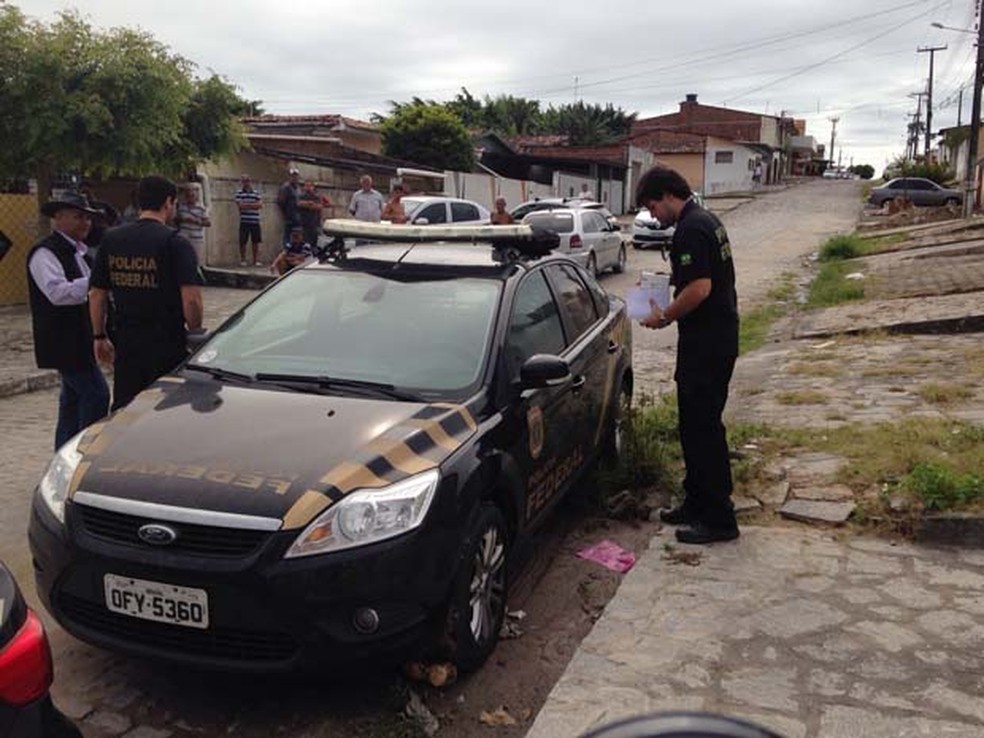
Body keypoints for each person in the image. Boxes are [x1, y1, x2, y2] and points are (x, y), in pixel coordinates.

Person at [636, 166, 740, 545]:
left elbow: (699, 288)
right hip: (714, 338)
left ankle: (719, 519)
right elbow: (695, 279)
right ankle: (697, 501)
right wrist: (655, 290)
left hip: (707, 344)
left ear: (666, 195)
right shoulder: (705, 220)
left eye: (652, 207)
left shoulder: (691, 229)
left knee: (702, 429)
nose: (652, 216)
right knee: (695, 426)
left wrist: (663, 315)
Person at [89, 175, 204, 411]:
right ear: (168, 202)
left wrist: (99, 336)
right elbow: (191, 300)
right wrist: (195, 334)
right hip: (167, 341)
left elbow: (96, 294)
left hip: (127, 340)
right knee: (164, 408)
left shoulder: (112, 239)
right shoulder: (175, 243)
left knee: (125, 410)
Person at [27, 192, 110, 449]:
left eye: (87, 218)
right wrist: (96, 282)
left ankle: (63, 457)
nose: (85, 223)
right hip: (63, 340)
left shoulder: (83, 254)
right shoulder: (45, 253)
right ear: (59, 217)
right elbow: (57, 293)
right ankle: (82, 454)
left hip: (81, 338)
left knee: (72, 401)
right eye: (78, 217)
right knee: (96, 394)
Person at [174, 185, 211, 265]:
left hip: (196, 238)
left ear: (196, 197)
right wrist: (183, 219)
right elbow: (176, 220)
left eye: (192, 196)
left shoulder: (201, 208)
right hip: (183, 236)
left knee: (195, 260)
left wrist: (196, 221)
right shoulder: (181, 207)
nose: (190, 198)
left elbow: (208, 223)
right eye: (188, 196)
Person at [234, 174, 263, 266]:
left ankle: (256, 260)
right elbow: (240, 206)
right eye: (244, 181)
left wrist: (247, 205)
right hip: (244, 221)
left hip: (255, 221)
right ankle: (243, 260)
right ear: (242, 182)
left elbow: (260, 205)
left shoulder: (256, 192)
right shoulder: (239, 193)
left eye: (247, 180)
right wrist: (252, 205)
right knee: (243, 241)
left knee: (256, 241)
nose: (246, 182)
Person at [277, 167, 302, 247]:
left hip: (298, 217)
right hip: (289, 217)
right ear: (290, 176)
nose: (294, 178)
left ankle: (295, 252)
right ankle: (286, 252)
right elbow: (281, 201)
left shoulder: (298, 188)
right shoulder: (286, 187)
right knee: (287, 237)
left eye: (296, 176)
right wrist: (286, 212)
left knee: (297, 236)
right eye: (293, 176)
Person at [297, 180, 324, 247]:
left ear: (313, 187)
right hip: (304, 223)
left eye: (310, 186)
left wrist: (313, 206)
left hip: (314, 223)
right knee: (304, 242)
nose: (308, 188)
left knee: (314, 242)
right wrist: (307, 204)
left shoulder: (317, 196)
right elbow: (298, 204)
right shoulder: (301, 195)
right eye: (307, 186)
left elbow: (320, 206)